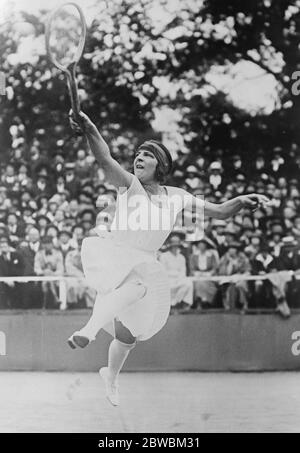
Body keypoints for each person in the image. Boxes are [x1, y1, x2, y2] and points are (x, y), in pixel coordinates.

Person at [67, 111, 269, 406]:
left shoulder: (178, 196)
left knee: (127, 336)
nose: (138, 158)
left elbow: (221, 211)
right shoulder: (129, 185)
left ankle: (110, 375)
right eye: (137, 154)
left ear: (160, 164)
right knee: (136, 288)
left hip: (144, 263)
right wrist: (90, 128)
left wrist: (242, 200)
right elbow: (105, 160)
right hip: (115, 257)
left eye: (146, 154)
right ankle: (88, 330)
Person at [159, 234, 193, 313]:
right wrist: (173, 276)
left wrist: (179, 278)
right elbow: (162, 271)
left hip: (178, 279)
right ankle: (171, 304)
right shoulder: (163, 256)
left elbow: (183, 271)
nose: (175, 247)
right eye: (173, 245)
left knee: (188, 283)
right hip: (167, 280)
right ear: (170, 246)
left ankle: (178, 303)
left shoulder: (181, 257)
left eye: (176, 245)